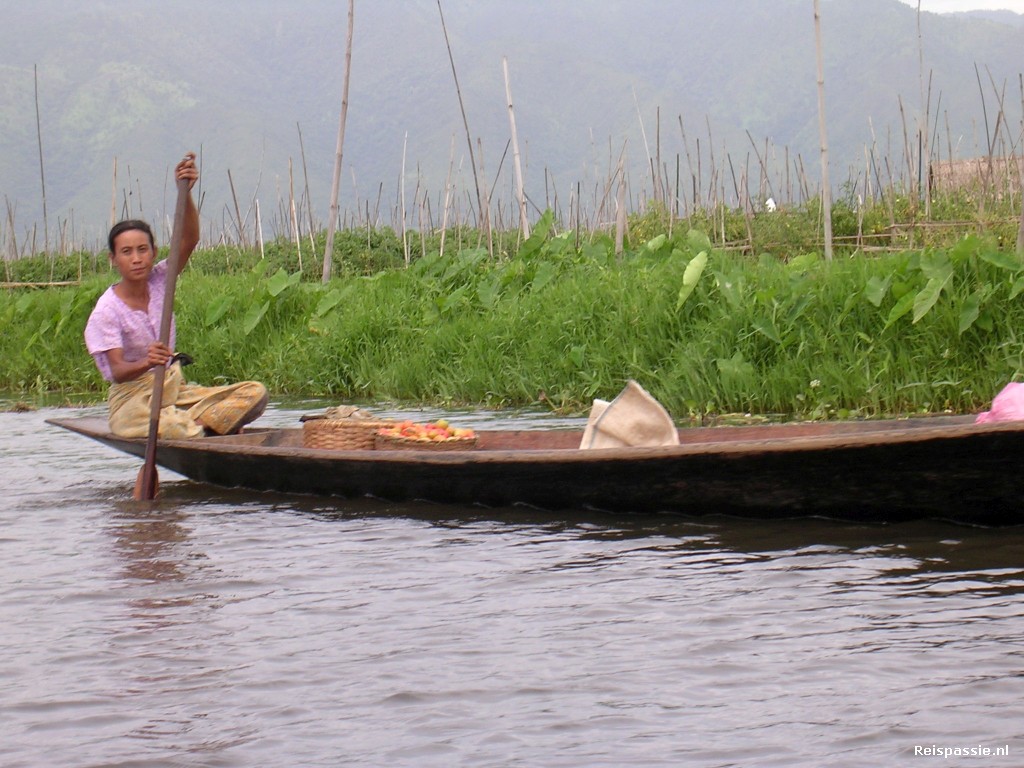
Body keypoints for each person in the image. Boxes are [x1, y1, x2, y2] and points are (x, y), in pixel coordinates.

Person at [85, 152, 268, 440]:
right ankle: (200, 426)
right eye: (127, 252)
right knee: (169, 426)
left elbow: (189, 240)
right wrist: (148, 361)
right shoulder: (107, 310)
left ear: (153, 253)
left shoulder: (161, 279)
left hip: (173, 389)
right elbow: (118, 371)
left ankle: (198, 422)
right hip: (133, 401)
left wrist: (187, 192)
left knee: (254, 393)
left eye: (142, 250)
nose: (136, 259)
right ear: (113, 259)